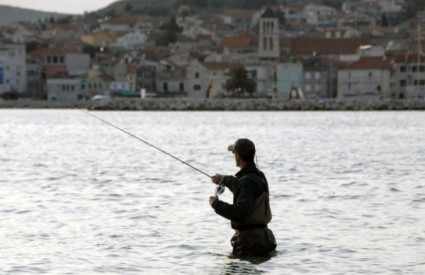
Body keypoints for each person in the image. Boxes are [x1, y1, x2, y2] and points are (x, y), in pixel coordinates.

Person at [209, 138, 276, 257]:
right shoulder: (259, 176)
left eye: (234, 154)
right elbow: (241, 186)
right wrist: (224, 179)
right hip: (265, 239)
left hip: (249, 243)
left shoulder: (246, 181)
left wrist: (216, 204)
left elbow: (241, 213)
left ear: (238, 156)